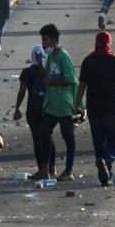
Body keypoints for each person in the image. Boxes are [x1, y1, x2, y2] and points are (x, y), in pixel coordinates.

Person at [74, 31, 115, 187]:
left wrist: (76, 105)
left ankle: (106, 176)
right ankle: (107, 161)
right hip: (110, 108)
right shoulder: (114, 61)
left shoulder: (88, 61)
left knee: (99, 142)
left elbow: (81, 86)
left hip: (94, 109)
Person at [39, 24, 78, 181]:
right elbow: (47, 76)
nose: (44, 44)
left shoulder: (63, 56)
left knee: (67, 135)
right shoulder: (50, 57)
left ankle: (69, 170)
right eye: (42, 40)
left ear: (54, 40)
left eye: (46, 40)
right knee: (44, 133)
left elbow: (71, 79)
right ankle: (46, 169)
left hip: (63, 103)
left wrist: (54, 82)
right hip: (51, 102)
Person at [13, 45, 52, 180]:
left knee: (37, 139)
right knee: (48, 137)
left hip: (33, 110)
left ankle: (41, 169)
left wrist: (17, 108)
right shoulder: (49, 71)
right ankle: (51, 168)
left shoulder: (27, 73)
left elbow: (22, 92)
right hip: (48, 108)